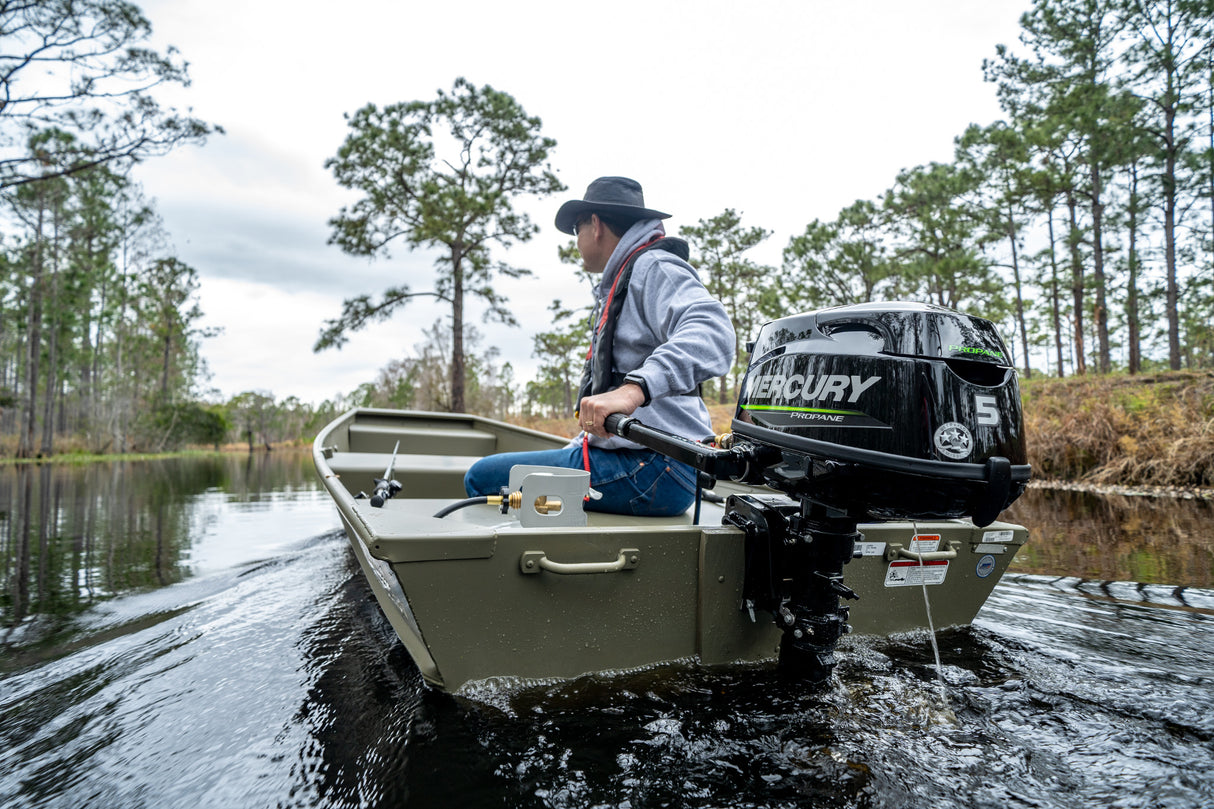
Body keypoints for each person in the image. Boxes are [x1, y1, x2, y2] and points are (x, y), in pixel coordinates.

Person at [463, 176, 735, 517]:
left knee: (482, 479)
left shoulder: (655, 268)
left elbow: (714, 333)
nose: (576, 242)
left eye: (576, 230)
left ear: (595, 226)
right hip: (648, 462)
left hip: (654, 466)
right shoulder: (626, 277)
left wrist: (632, 390)